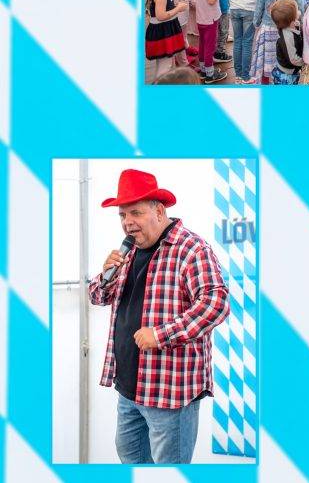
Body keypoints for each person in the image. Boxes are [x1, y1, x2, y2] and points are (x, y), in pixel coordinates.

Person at [88, 169, 230, 464]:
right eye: (122, 215)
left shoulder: (191, 249)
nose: (128, 223)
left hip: (169, 392)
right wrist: (105, 276)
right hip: (128, 388)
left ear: (159, 210)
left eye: (135, 213)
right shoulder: (127, 251)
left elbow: (215, 303)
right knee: (131, 458)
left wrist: (162, 334)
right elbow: (96, 297)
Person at [249, 0, 308, 84]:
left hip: (268, 28)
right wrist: (300, 23)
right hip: (288, 27)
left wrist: (256, 23)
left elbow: (259, 8)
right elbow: (301, 4)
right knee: (284, 61)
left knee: (265, 66)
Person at [143, 0, 188, 81]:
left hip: (164, 30)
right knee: (165, 66)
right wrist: (178, 8)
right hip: (163, 31)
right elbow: (161, 15)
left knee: (166, 63)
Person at [192, 0, 231, 83]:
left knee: (202, 44)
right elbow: (211, 0)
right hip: (210, 19)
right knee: (210, 46)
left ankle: (203, 69)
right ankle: (210, 74)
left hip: (201, 18)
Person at [270, 0, 303, 85]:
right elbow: (293, 59)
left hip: (290, 71)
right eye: (297, 10)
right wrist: (306, 62)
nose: (299, 11)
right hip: (287, 75)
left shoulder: (290, 25)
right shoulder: (287, 36)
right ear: (291, 18)